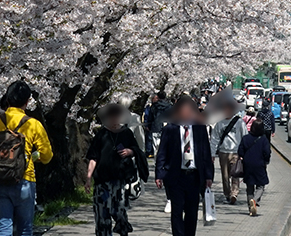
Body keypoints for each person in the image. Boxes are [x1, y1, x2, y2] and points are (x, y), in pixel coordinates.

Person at [0, 80, 54, 236]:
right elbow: (47, 156)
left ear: (7, 99)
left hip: (0, 180)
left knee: (4, 226)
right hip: (24, 180)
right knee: (25, 228)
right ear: (27, 102)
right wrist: (33, 157)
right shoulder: (33, 124)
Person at [155, 94, 214, 236]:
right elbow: (162, 152)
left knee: (191, 211)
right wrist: (159, 174)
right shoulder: (170, 129)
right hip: (176, 175)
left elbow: (206, 153)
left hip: (194, 176)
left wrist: (208, 175)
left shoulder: (199, 129)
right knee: (177, 210)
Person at [86, 103, 148, 236]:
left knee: (119, 211)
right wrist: (88, 178)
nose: (114, 119)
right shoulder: (101, 135)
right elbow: (93, 158)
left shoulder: (126, 133)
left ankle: (123, 229)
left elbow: (137, 150)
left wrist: (130, 151)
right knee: (102, 214)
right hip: (102, 181)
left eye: (117, 116)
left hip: (120, 181)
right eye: (111, 116)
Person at [209, 102, 246, 204]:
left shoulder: (240, 122)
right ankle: (227, 194)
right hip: (223, 152)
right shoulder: (219, 123)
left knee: (235, 173)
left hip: (235, 152)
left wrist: (243, 153)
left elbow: (244, 137)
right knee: (225, 176)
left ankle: (234, 193)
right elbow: (214, 139)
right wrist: (212, 154)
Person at [238, 120, 271, 217]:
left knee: (249, 186)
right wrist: (266, 161)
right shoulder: (263, 139)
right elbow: (267, 152)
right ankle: (255, 201)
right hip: (259, 164)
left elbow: (240, 151)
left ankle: (251, 208)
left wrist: (243, 157)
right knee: (261, 185)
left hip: (247, 164)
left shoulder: (246, 138)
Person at [147, 91, 173, 157]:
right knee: (166, 145)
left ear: (158, 97)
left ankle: (157, 159)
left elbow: (150, 117)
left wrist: (149, 126)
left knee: (156, 146)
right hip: (166, 126)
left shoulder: (154, 106)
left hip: (155, 127)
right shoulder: (169, 106)